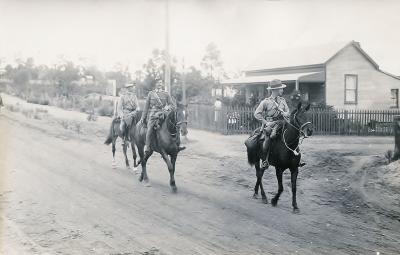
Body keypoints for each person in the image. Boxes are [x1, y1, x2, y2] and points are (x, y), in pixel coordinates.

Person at [254, 79, 290, 169]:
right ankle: (265, 160)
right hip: (271, 124)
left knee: (293, 134)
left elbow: (287, 111)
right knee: (269, 138)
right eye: (281, 89)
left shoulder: (282, 100)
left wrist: (286, 113)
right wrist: (265, 122)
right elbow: (256, 113)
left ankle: (295, 157)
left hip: (282, 122)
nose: (282, 90)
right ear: (275, 90)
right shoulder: (266, 102)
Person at [140, 79, 182, 155]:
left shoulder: (166, 94)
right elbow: (146, 107)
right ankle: (148, 146)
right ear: (155, 84)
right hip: (153, 114)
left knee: (174, 125)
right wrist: (143, 117)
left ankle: (177, 144)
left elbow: (172, 105)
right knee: (150, 128)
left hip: (163, 113)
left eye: (161, 83)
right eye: (158, 83)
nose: (160, 84)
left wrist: (167, 107)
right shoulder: (151, 94)